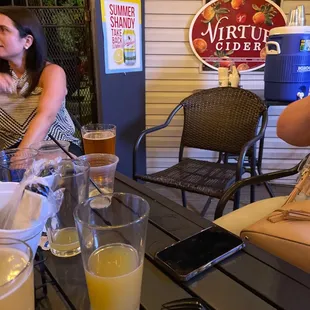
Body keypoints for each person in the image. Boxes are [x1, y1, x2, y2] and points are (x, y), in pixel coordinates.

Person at [0, 7, 82, 156]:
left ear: (27, 41)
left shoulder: (51, 72)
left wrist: (20, 159)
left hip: (56, 147)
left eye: (3, 30)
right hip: (7, 153)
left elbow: (46, 116)